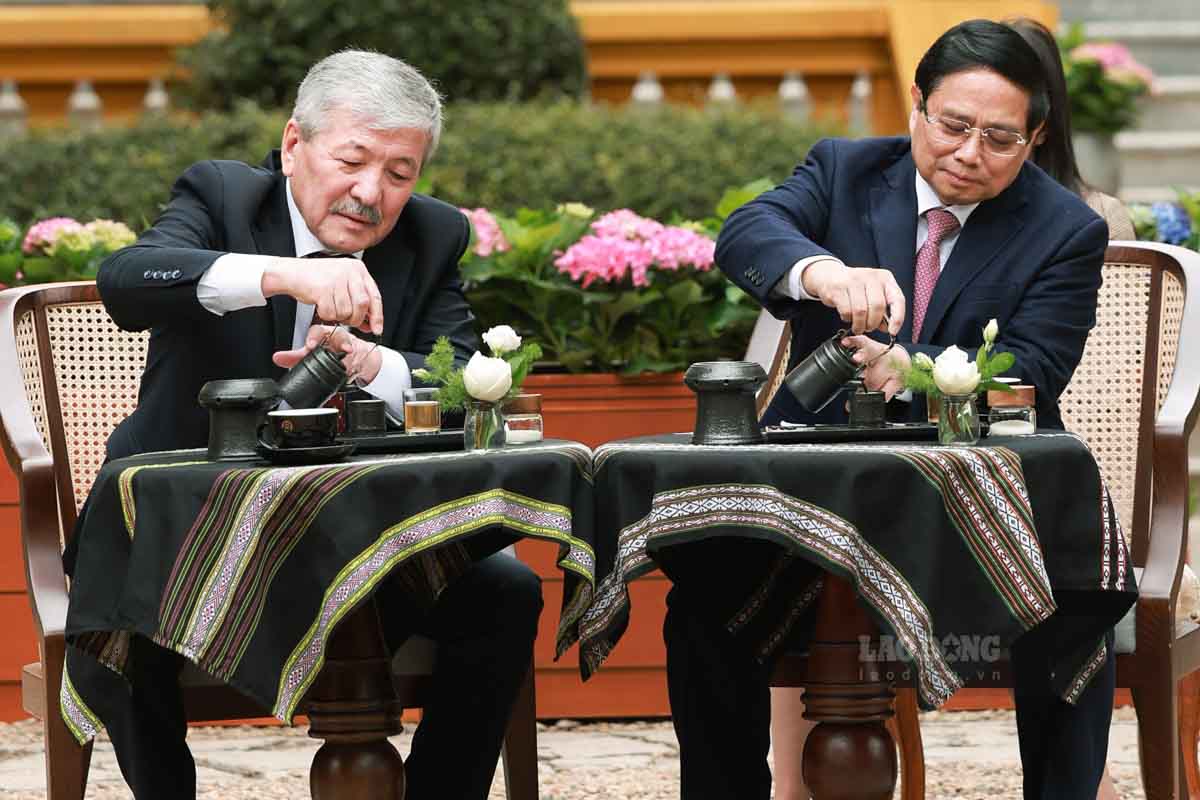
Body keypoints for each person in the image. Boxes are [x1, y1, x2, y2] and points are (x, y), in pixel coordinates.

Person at [67, 50, 542, 800]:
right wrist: (282, 275)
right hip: (187, 533)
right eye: (351, 161)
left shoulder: (431, 235)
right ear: (294, 144)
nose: (371, 193)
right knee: (126, 621)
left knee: (505, 592)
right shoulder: (223, 195)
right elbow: (127, 279)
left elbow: (459, 382)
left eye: (400, 173)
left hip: (365, 541)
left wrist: (373, 364)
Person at [697, 19, 1116, 800]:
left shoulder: (1065, 229)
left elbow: (1036, 368)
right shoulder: (845, 169)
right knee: (705, 593)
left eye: (999, 138)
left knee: (1076, 597)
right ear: (917, 105)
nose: (969, 153)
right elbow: (747, 232)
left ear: (1035, 137)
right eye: (953, 125)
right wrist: (821, 273)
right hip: (817, 497)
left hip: (973, 511)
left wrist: (914, 370)